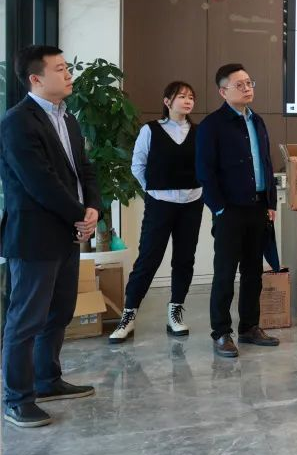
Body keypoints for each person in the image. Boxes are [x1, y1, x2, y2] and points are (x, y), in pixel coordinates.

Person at [1, 45, 102, 427]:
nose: (68, 74)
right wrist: (79, 215)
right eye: (59, 69)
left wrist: (93, 209)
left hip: (68, 232)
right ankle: (17, 398)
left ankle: (48, 380)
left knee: (59, 312)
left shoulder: (68, 118)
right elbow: (39, 182)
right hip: (34, 237)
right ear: (35, 79)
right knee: (26, 319)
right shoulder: (17, 122)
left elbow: (84, 170)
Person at [195, 63, 279, 358]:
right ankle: (221, 332)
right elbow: (205, 171)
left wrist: (271, 203)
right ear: (223, 91)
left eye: (249, 83)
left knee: (254, 272)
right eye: (239, 85)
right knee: (225, 272)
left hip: (258, 208)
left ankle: (249, 326)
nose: (247, 88)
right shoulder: (212, 125)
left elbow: (266, 164)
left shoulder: (258, 121)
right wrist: (219, 208)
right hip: (229, 210)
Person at [109, 82, 203, 343]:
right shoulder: (150, 130)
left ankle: (175, 312)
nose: (187, 100)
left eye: (191, 97)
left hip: (192, 203)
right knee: (148, 259)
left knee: (184, 259)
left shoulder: (199, 131)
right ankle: (128, 315)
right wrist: (152, 190)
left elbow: (207, 165)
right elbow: (137, 165)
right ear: (167, 101)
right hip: (160, 203)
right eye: (181, 96)